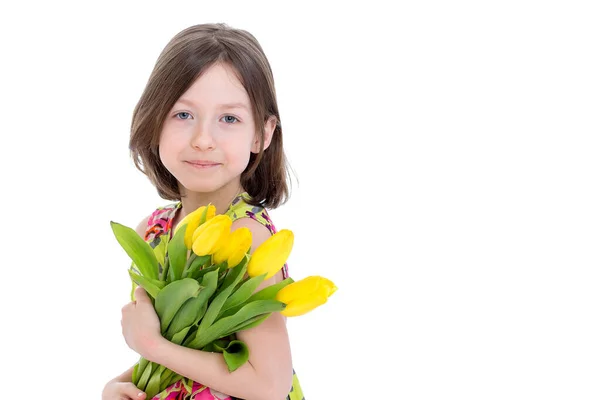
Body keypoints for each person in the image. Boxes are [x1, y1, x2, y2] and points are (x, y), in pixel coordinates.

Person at [102, 23, 304, 400]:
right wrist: (123, 383)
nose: (203, 140)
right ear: (154, 120)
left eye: (229, 119)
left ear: (262, 133)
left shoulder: (248, 236)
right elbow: (182, 347)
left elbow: (270, 386)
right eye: (182, 115)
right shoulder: (153, 232)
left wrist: (151, 346)